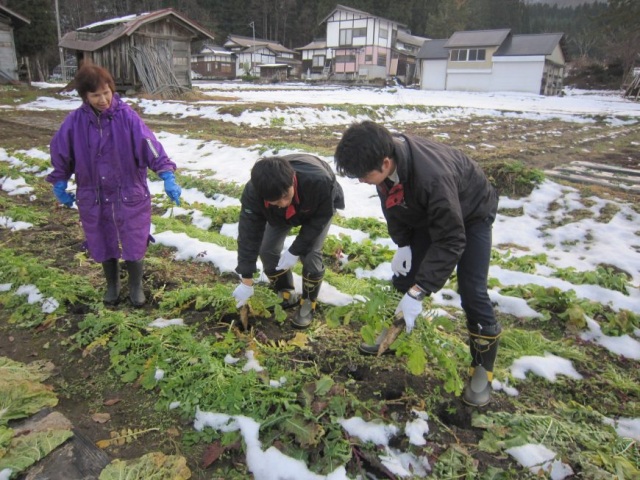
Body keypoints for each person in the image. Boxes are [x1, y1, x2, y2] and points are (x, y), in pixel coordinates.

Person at [334, 121, 500, 407]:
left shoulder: (432, 177)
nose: (362, 181)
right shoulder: (386, 164)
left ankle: (482, 369)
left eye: (364, 176)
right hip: (429, 211)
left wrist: (420, 290)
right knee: (403, 274)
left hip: (471, 214)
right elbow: (394, 207)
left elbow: (451, 240)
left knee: (472, 291)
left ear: (386, 163)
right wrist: (404, 244)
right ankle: (393, 333)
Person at [47, 63, 181, 307]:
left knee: (134, 236)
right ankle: (112, 284)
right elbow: (61, 152)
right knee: (100, 237)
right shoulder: (75, 122)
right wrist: (60, 180)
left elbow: (149, 145)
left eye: (106, 92)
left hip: (128, 190)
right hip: (93, 193)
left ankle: (135, 285)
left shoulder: (126, 116)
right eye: (95, 95)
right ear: (85, 97)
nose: (103, 99)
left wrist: (166, 174)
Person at [233, 154, 345, 328]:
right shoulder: (254, 192)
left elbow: (322, 217)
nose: (284, 203)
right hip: (277, 216)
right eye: (276, 200)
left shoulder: (318, 181)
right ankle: (285, 291)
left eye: (286, 196)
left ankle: (308, 302)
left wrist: (295, 250)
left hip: (315, 210)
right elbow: (249, 233)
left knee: (310, 253)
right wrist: (246, 278)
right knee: (267, 249)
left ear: (292, 181)